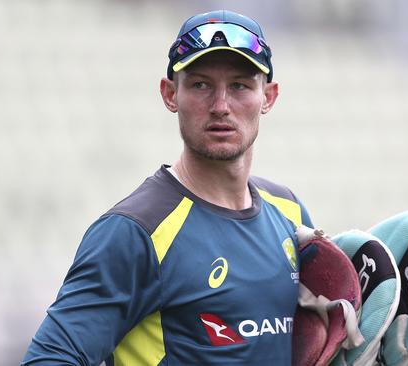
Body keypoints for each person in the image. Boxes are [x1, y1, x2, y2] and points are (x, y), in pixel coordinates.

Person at [22, 9, 313, 366]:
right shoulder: (135, 231)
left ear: (268, 97)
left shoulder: (289, 212)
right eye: (201, 84)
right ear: (170, 93)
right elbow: (49, 359)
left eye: (239, 85)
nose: (221, 106)